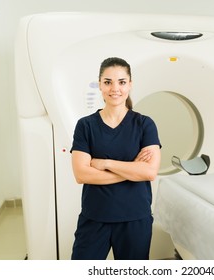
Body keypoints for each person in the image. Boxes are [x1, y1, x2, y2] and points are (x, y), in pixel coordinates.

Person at [70, 57, 161, 260]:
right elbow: (81, 173)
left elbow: (149, 172)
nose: (115, 88)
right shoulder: (85, 126)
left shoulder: (145, 125)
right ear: (100, 85)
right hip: (95, 217)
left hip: (135, 218)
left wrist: (106, 164)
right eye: (108, 82)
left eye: (121, 82)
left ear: (130, 84)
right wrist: (132, 170)